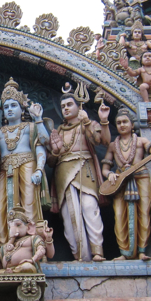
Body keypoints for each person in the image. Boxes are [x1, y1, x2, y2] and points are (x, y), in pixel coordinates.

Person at [47, 85, 111, 262]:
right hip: (63, 175)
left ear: (78, 106)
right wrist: (56, 151)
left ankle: (97, 252)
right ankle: (80, 256)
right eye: (63, 106)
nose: (66, 109)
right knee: (69, 216)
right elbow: (50, 162)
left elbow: (102, 141)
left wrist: (92, 122)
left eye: (69, 105)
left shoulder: (87, 124)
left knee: (89, 207)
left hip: (85, 170)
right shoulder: (59, 131)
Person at [0, 78, 49, 246]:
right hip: (5, 170)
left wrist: (39, 169)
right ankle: (6, 246)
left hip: (27, 166)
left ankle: (30, 245)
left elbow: (43, 143)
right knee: (0, 210)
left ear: (22, 107)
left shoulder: (30, 127)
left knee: (29, 205)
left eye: (13, 105)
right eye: (6, 107)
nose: (9, 109)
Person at [101, 109, 151, 260]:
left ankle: (142, 251)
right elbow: (105, 168)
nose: (122, 125)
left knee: (143, 213)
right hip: (120, 181)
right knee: (120, 216)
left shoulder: (141, 141)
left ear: (132, 124)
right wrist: (110, 174)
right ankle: (125, 253)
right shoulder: (113, 145)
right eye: (118, 123)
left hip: (140, 178)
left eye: (125, 122)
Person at [0, 207, 52, 275]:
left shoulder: (32, 239)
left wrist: (32, 259)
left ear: (29, 227)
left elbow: (42, 250)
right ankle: (10, 272)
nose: (13, 229)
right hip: (7, 270)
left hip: (24, 269)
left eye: (18, 225)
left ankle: (13, 272)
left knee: (27, 267)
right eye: (10, 227)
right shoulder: (7, 245)